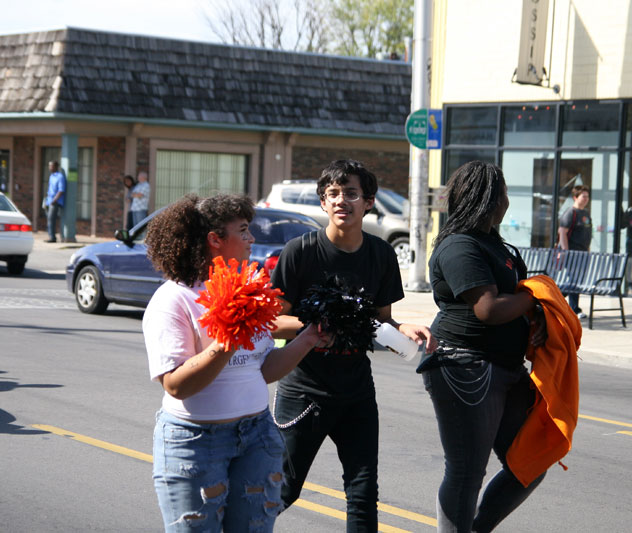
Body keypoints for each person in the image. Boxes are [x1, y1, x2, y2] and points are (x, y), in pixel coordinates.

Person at [142, 193, 331, 533]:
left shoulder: (248, 290)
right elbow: (176, 385)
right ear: (215, 240)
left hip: (257, 435)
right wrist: (227, 341)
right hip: (195, 441)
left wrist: (308, 339)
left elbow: (262, 370)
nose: (251, 239)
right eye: (243, 230)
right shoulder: (174, 299)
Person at [270, 159, 436, 531]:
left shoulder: (380, 254)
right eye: (333, 194)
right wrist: (317, 325)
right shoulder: (300, 251)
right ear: (323, 203)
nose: (342, 200)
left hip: (357, 391)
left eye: (350, 193)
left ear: (369, 201)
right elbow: (275, 322)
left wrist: (404, 329)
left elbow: (381, 321)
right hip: (304, 392)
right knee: (283, 490)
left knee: (362, 495)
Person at [421, 161, 548, 533]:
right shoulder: (460, 246)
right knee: (466, 471)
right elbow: (489, 309)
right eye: (503, 193)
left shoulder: (494, 245)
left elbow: (514, 301)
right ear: (487, 199)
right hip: (465, 367)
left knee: (529, 462)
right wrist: (537, 295)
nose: (507, 201)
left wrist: (535, 318)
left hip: (506, 368)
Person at [557, 184, 592, 318]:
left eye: (587, 197)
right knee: (573, 280)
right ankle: (574, 309)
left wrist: (588, 250)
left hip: (583, 253)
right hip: (572, 253)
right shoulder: (571, 213)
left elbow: (587, 234)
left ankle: (556, 298)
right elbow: (562, 232)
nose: (586, 199)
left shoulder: (586, 213)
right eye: (583, 196)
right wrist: (566, 251)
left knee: (576, 281)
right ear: (575, 197)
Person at [44, 160, 66, 243]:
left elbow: (61, 190)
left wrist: (54, 200)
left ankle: (52, 237)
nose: (50, 168)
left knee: (51, 219)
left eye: (51, 166)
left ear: (56, 167)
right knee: (49, 219)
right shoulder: (51, 176)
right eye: (49, 166)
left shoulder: (60, 177)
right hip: (49, 200)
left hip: (55, 202)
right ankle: (50, 235)